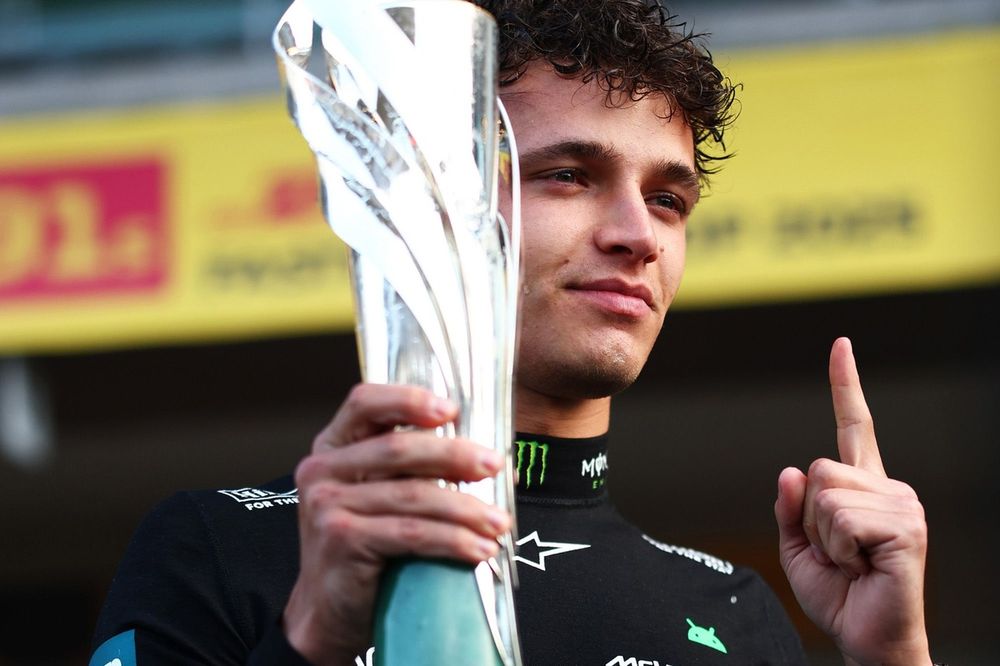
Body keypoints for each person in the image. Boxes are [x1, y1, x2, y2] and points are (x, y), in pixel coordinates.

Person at [91, 1, 933, 664]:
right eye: (568, 175)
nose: (638, 235)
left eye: (667, 199)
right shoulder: (221, 546)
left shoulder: (736, 614)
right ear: (442, 205)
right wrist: (313, 635)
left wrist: (895, 657)